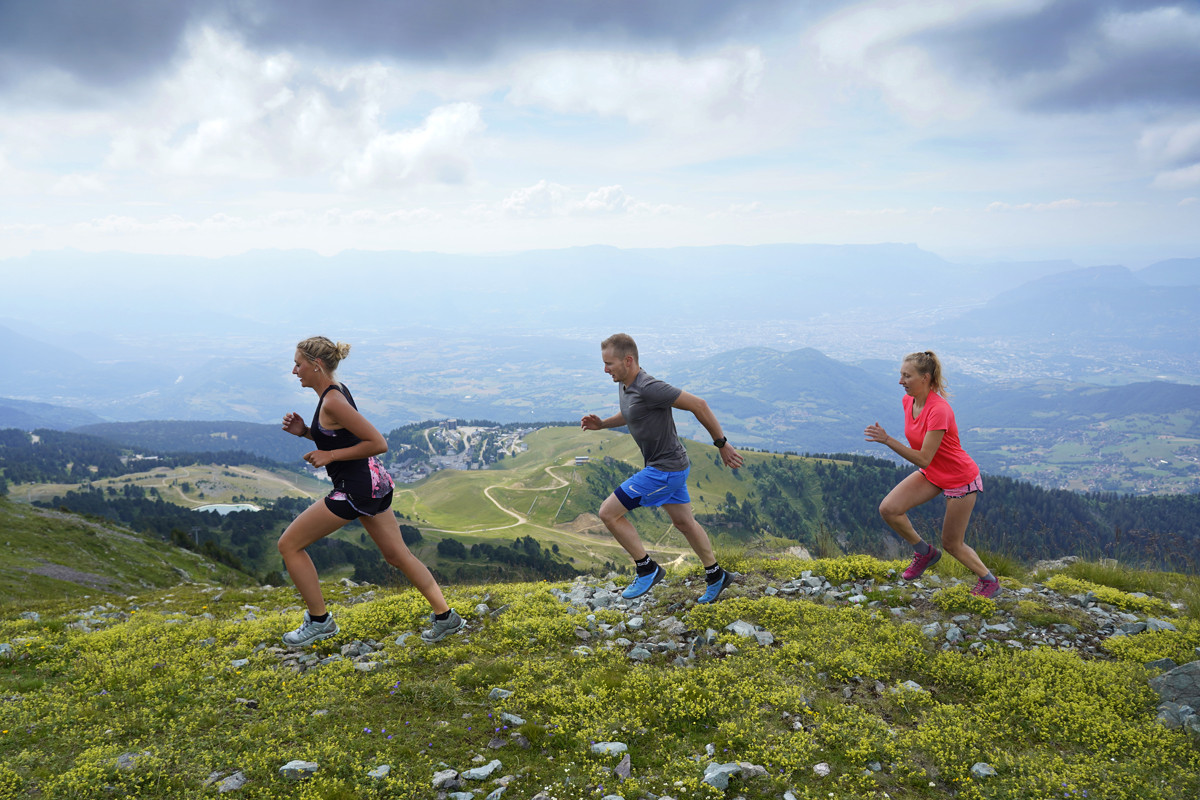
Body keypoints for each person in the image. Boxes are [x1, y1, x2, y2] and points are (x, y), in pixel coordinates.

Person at [278, 336, 463, 646]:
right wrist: (308, 434)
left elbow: (378, 443)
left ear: (316, 365)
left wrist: (329, 456)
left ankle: (320, 621)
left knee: (289, 545)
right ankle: (446, 617)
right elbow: (344, 439)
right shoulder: (334, 394)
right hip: (374, 485)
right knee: (397, 555)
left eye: (298, 364)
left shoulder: (333, 400)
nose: (294, 370)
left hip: (355, 490)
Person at [581, 333, 744, 603]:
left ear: (628, 360)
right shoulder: (625, 385)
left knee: (608, 513)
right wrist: (603, 424)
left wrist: (722, 444)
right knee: (684, 522)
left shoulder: (648, 386)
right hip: (673, 466)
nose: (605, 369)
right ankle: (716, 575)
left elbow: (698, 404)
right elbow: (631, 413)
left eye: (609, 363)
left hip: (665, 470)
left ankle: (647, 569)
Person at [864, 350, 1000, 598]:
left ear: (925, 377)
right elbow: (927, 459)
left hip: (959, 479)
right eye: (901, 375)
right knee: (889, 509)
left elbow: (923, 457)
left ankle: (989, 581)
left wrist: (887, 440)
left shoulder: (939, 410)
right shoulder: (909, 401)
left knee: (952, 543)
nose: (900, 381)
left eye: (907, 376)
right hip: (932, 473)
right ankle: (925, 552)